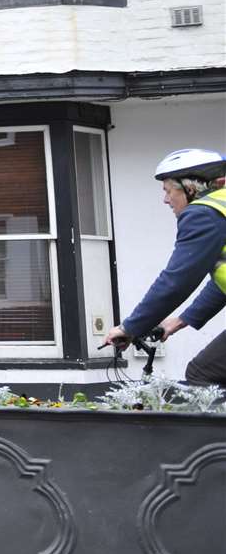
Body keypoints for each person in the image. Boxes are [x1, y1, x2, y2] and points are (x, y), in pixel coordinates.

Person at [103, 148, 226, 386]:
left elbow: (176, 281)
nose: (166, 199)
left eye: (169, 191)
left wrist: (130, 327)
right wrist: (180, 320)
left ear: (191, 188)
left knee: (203, 374)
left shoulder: (204, 214)